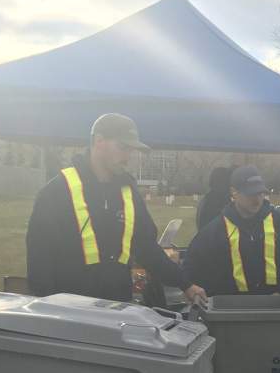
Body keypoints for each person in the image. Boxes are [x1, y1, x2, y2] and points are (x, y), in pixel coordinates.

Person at [26, 113, 207, 305]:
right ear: (99, 141)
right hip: (70, 312)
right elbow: (39, 260)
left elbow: (147, 248)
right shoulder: (57, 191)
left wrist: (185, 284)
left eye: (131, 150)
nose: (128, 156)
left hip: (117, 308)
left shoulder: (128, 193)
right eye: (123, 147)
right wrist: (47, 310)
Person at [182, 166, 280, 296]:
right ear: (234, 192)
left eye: (260, 193)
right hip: (232, 310)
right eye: (251, 194)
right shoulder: (216, 230)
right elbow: (191, 268)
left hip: (276, 307)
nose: (257, 199)